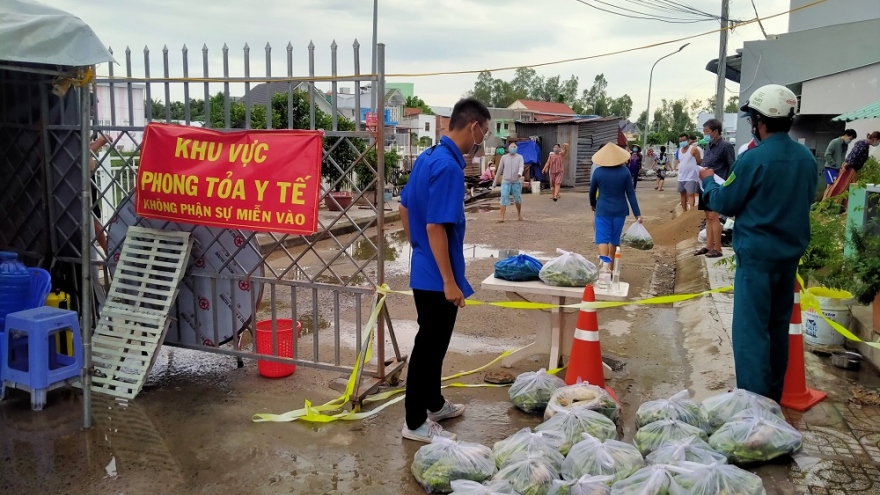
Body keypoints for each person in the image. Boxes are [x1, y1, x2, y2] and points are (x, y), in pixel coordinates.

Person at [699, 84, 818, 403]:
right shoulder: (806, 159)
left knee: (751, 333)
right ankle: (772, 400)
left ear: (759, 121)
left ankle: (754, 410)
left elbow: (726, 202)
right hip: (788, 260)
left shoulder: (753, 159)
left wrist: (709, 182)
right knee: (778, 331)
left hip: (757, 261)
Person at [398, 97, 491, 443]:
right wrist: (450, 281)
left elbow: (404, 206)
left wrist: (417, 246)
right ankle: (414, 423)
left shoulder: (428, 158)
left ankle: (434, 404)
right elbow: (437, 226)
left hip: (428, 268)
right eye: (485, 131)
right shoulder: (450, 168)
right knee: (428, 348)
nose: (483, 139)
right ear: (473, 127)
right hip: (439, 277)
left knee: (434, 344)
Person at [589, 142, 643, 260]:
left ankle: (605, 268)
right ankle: (612, 270)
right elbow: (631, 194)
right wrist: (637, 214)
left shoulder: (598, 172)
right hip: (620, 210)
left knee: (602, 240)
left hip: (602, 209)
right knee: (614, 240)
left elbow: (592, 192)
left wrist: (593, 204)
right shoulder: (625, 172)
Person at [696, 119, 736, 259]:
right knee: (708, 217)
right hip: (706, 185)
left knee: (714, 217)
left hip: (718, 186)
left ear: (715, 131)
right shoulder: (707, 146)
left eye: (707, 131)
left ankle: (717, 248)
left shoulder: (726, 146)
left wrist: (728, 185)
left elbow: (732, 166)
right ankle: (709, 245)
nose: (705, 134)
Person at [823, 131, 879, 200]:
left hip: (850, 168)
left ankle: (842, 206)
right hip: (849, 168)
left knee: (848, 189)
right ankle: (828, 203)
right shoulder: (863, 144)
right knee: (838, 187)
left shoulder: (864, 144)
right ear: (875, 139)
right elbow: (854, 156)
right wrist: (845, 166)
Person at [492, 142, 525, 222]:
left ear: (516, 148)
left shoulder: (520, 157)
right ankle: (502, 218)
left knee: (517, 199)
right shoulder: (504, 157)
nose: (513, 148)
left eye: (514, 146)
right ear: (508, 148)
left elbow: (521, 166)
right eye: (511, 146)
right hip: (506, 181)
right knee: (503, 198)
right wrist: (495, 181)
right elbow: (499, 169)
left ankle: (519, 214)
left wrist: (520, 173)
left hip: (516, 181)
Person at [676, 133, 702, 211]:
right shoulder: (679, 150)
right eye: (681, 141)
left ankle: (691, 212)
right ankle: (684, 211)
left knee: (691, 194)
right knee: (682, 194)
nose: (682, 142)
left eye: (684, 140)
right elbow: (680, 161)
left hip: (691, 176)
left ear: (688, 140)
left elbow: (699, 161)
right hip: (681, 176)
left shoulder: (694, 149)